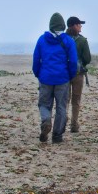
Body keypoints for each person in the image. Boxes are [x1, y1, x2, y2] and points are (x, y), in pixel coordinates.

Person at [33, 12, 79, 143]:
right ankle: (57, 135)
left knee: (44, 104)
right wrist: (70, 75)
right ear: (63, 26)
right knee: (61, 107)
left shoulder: (42, 39)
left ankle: (46, 120)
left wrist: (38, 74)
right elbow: (73, 62)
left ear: (50, 26)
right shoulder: (68, 40)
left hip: (45, 78)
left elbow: (36, 59)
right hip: (62, 78)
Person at [66, 16, 92, 133]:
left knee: (65, 99)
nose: (81, 26)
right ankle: (74, 124)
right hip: (77, 73)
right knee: (76, 100)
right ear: (75, 26)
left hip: (64, 73)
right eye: (79, 24)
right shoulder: (82, 40)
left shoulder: (63, 39)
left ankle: (62, 121)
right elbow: (87, 58)